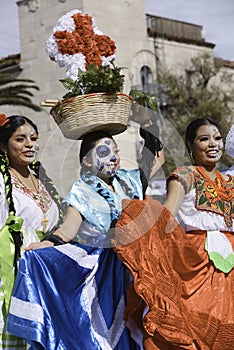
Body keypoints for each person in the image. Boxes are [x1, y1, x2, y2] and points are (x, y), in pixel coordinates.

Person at [7, 111, 164, 349]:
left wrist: (147, 124)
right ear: (86, 161)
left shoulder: (130, 180)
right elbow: (67, 229)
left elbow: (157, 158)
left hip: (140, 267)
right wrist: (45, 246)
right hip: (107, 275)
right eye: (103, 152)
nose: (113, 158)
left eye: (115, 152)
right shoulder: (81, 192)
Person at [113, 118, 233, 349]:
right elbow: (166, 220)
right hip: (197, 264)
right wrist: (140, 216)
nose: (212, 144)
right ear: (190, 145)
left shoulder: (230, 181)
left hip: (232, 267)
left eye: (217, 138)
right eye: (204, 139)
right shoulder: (184, 176)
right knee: (194, 330)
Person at [0, 113, 63, 349]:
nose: (29, 144)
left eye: (33, 138)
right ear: (3, 146)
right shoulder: (1, 180)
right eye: (20, 139)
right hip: (13, 275)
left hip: (45, 276)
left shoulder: (41, 178)